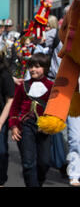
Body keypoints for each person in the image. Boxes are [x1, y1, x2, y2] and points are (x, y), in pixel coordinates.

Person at [8, 53, 53, 187]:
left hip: (44, 128)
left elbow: (58, 109)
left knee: (44, 163)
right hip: (26, 126)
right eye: (31, 66)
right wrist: (14, 126)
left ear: (45, 68)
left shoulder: (52, 87)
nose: (33, 69)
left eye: (37, 67)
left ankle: (38, 182)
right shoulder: (23, 86)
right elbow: (14, 107)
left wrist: (51, 123)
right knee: (28, 163)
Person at [0, 49, 15, 186]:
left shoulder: (4, 75)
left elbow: (10, 100)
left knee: (1, 151)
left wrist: (0, 122)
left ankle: (1, 179)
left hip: (1, 117)